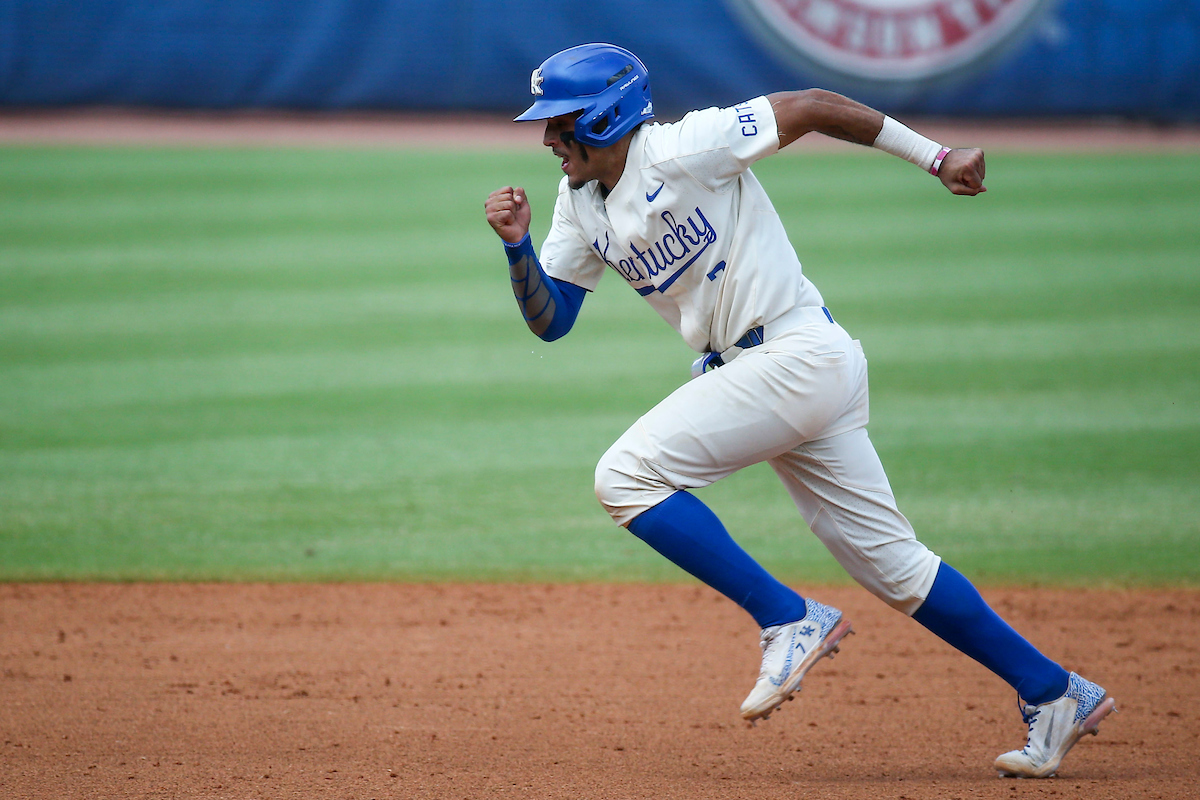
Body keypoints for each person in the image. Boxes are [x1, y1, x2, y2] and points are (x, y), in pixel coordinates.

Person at [483, 43, 1115, 779]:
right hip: (787, 370)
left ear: (604, 117)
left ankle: (787, 616)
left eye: (559, 123)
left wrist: (935, 157)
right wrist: (516, 248)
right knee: (896, 569)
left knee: (625, 475)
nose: (546, 139)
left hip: (796, 355)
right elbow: (552, 320)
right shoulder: (577, 202)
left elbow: (812, 105)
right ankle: (1054, 689)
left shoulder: (687, 145)